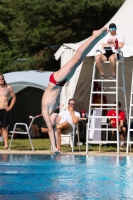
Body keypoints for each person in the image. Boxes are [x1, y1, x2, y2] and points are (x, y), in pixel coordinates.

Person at [41, 26, 108, 154]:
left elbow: (50, 130)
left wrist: (54, 148)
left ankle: (94, 35)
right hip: (62, 82)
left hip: (55, 80)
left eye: (55, 120)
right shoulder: (52, 111)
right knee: (80, 60)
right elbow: (54, 129)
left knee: (76, 58)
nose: (57, 119)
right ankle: (96, 38)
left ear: (48, 121)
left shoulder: (45, 111)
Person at [0, 74, 16, 149]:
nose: (1, 80)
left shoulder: (8, 87)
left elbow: (14, 97)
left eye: (2, 79)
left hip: (4, 109)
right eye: (0, 79)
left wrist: (10, 106)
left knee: (4, 127)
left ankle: (6, 144)